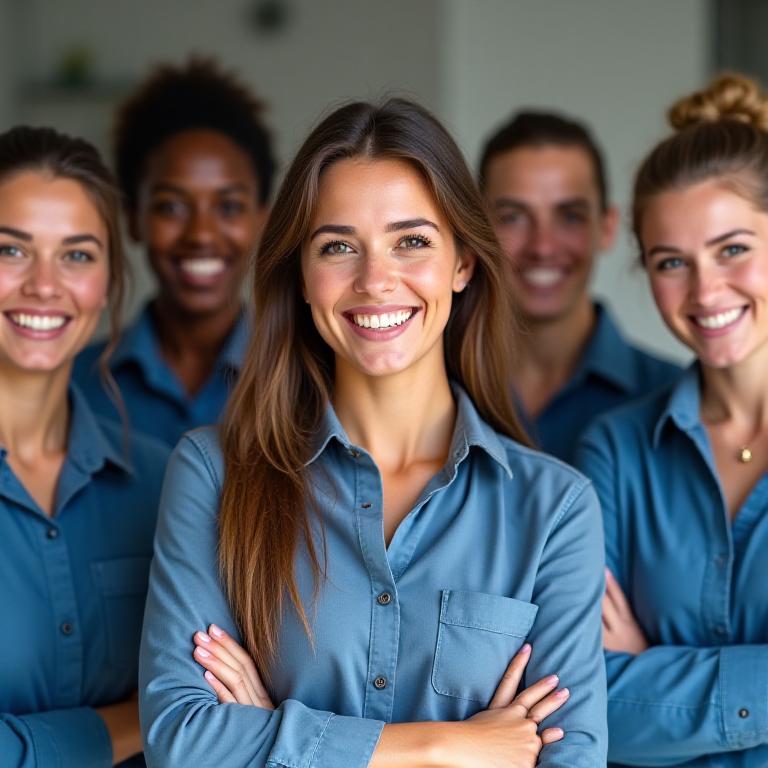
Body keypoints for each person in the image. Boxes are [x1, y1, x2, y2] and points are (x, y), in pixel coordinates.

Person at [139, 98, 607, 768]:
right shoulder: (214, 473)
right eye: (338, 247)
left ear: (463, 264)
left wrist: (274, 737)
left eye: (411, 242)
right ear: (301, 274)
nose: (375, 281)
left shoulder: (554, 508)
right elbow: (183, 742)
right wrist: (445, 745)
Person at [575, 73, 768, 766]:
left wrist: (654, 667)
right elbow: (581, 704)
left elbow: (625, 700)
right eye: (670, 262)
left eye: (733, 249)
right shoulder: (617, 449)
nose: (705, 290)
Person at [0, 126, 169, 766]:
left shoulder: (163, 482)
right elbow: (179, 714)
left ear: (108, 281)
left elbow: (221, 707)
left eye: (76, 255)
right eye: (12, 251)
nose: (45, 286)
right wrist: (132, 722)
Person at [74, 57, 275, 448]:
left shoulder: (308, 385)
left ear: (261, 220)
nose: (201, 234)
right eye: (171, 207)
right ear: (132, 217)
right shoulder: (74, 388)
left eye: (229, 207)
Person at [479, 110, 681, 462]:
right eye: (512, 217)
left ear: (607, 227)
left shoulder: (674, 400)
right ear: (477, 229)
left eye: (570, 216)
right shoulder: (437, 391)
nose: (542, 246)